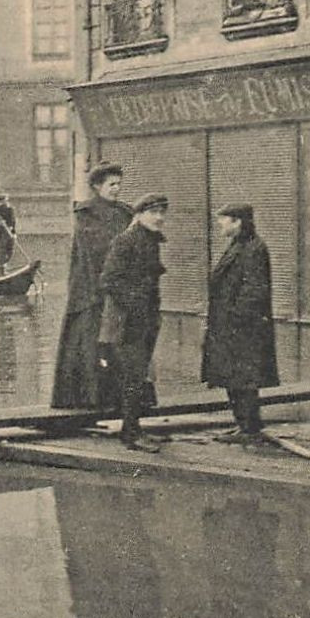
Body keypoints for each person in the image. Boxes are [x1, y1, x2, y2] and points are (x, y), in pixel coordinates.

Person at [52, 162, 134, 409]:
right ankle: (89, 399)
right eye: (111, 185)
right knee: (89, 342)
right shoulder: (85, 214)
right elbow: (93, 252)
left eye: (119, 184)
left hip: (119, 288)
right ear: (97, 186)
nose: (116, 189)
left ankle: (120, 400)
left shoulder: (125, 213)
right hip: (91, 289)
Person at [202, 203, 280, 443]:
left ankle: (249, 428)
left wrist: (235, 318)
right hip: (231, 325)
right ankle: (244, 425)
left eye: (224, 220)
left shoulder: (253, 248)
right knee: (234, 376)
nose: (220, 224)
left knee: (243, 378)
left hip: (242, 328)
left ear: (238, 222)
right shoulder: (239, 245)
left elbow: (254, 290)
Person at [100, 193, 168, 453]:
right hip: (129, 322)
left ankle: (136, 428)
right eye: (153, 212)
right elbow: (109, 280)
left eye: (162, 212)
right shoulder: (126, 241)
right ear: (138, 215)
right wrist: (135, 306)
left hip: (147, 319)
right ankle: (131, 433)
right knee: (133, 375)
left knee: (139, 376)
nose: (159, 218)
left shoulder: (150, 241)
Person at [0, 195, 18, 271]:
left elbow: (13, 222)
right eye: (1, 201)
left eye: (5, 200)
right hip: (1, 233)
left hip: (9, 233)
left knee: (10, 251)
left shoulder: (11, 209)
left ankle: (4, 265)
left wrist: (14, 232)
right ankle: (2, 268)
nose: (3, 202)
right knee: (2, 251)